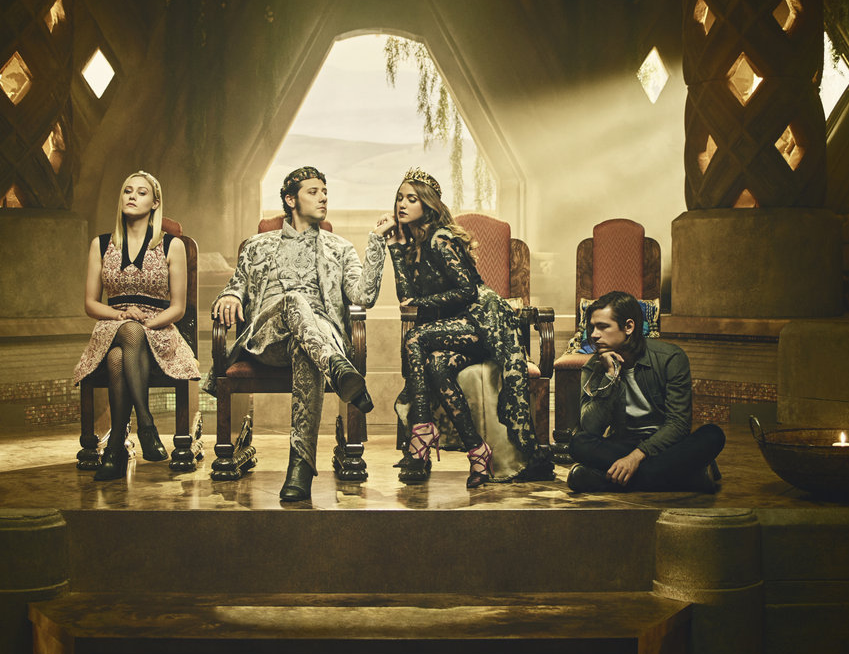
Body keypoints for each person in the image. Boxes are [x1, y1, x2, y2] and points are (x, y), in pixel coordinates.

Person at [208, 166, 391, 502]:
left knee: (306, 350)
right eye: (313, 192)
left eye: (325, 192)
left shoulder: (340, 248)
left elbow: (363, 296)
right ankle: (337, 367)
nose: (323, 198)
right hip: (268, 340)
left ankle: (300, 468)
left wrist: (377, 241)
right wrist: (231, 296)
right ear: (291, 199)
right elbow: (236, 285)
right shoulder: (257, 246)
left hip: (313, 341)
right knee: (294, 300)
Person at [387, 168, 554, 488]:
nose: (402, 204)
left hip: (483, 321)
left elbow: (468, 291)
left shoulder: (440, 239)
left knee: (416, 337)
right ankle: (477, 450)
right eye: (399, 198)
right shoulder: (415, 244)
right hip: (457, 326)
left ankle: (421, 428)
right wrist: (394, 246)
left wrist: (424, 302)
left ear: (428, 204)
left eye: (412, 199)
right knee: (436, 364)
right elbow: (406, 296)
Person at [74, 171, 200, 481]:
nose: (132, 196)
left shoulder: (172, 245)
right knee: (126, 334)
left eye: (141, 192)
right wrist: (120, 316)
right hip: (111, 326)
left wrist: (148, 323)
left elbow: (178, 308)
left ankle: (115, 449)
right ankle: (146, 423)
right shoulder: (101, 244)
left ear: (155, 203)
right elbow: (90, 304)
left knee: (120, 356)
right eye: (127, 190)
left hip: (158, 328)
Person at [567, 290, 725, 492]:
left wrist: (635, 458)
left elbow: (679, 424)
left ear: (629, 327)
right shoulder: (594, 367)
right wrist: (610, 376)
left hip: (666, 445)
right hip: (624, 443)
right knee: (578, 443)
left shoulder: (670, 358)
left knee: (713, 435)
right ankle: (688, 478)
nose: (594, 334)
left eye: (603, 327)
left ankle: (602, 480)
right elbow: (590, 428)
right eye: (593, 327)